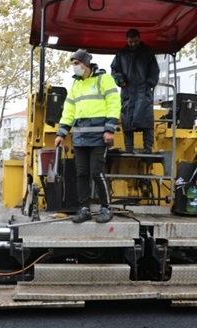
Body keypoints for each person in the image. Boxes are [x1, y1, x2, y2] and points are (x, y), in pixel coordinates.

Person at [54, 49, 121, 224]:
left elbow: (114, 103)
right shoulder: (76, 85)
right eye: (72, 64)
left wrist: (110, 129)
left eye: (77, 63)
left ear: (86, 64)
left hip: (99, 136)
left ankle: (106, 208)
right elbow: (68, 110)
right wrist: (61, 133)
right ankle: (84, 209)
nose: (74, 67)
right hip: (80, 137)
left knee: (96, 173)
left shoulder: (104, 79)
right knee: (81, 174)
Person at [111, 28, 160, 154]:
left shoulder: (147, 52)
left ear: (139, 39)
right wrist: (120, 80)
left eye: (135, 41)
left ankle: (147, 148)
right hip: (128, 90)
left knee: (146, 120)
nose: (133, 44)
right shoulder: (121, 54)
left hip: (143, 90)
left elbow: (154, 69)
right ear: (127, 40)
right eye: (131, 42)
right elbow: (114, 70)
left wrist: (149, 82)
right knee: (127, 120)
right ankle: (129, 148)